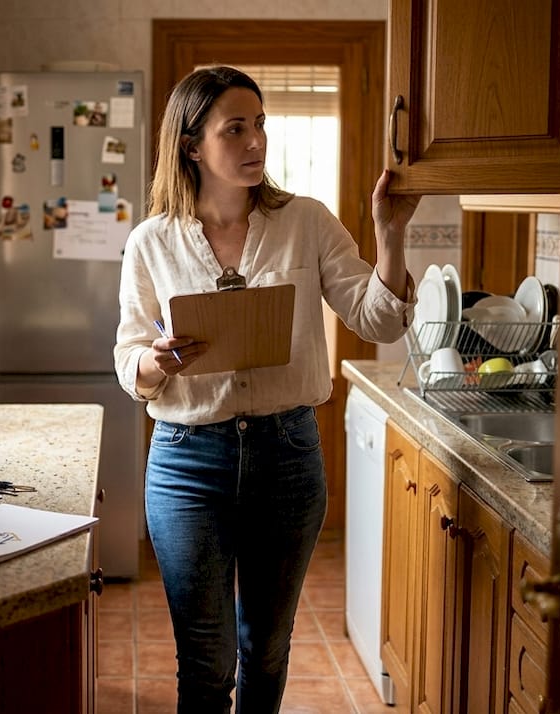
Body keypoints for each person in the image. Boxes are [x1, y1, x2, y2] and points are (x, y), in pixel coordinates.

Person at [113, 66, 421, 713]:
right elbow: (128, 361)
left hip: (287, 458)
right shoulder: (150, 241)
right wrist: (158, 360)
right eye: (235, 128)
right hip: (187, 461)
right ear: (192, 145)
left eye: (260, 125)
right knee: (206, 659)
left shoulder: (305, 221)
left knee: (267, 647)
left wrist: (390, 236)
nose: (255, 142)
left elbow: (377, 318)